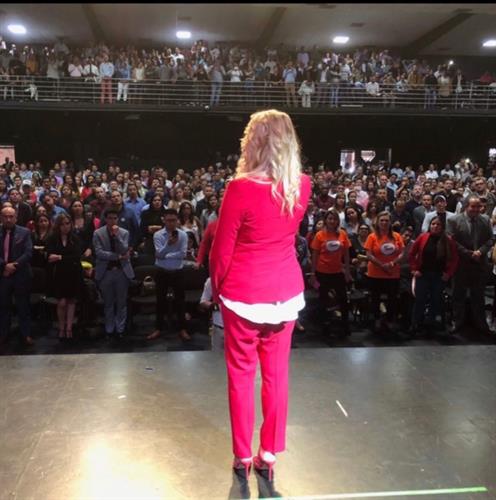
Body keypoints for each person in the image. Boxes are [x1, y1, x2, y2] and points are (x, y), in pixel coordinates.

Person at [209, 110, 311, 481]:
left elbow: (222, 250)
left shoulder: (240, 188)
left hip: (243, 293)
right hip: (285, 291)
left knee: (240, 376)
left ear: (252, 141)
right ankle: (268, 452)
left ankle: (242, 454)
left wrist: (217, 290)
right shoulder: (302, 185)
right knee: (277, 375)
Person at [446, 195, 494, 336]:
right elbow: (451, 241)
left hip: (479, 263)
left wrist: (480, 252)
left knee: (478, 295)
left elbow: (491, 239)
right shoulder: (453, 220)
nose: (476, 209)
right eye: (473, 206)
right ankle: (457, 322)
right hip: (461, 263)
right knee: (458, 294)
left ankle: (480, 324)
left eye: (478, 206)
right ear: (466, 206)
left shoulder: (485, 219)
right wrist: (468, 253)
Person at [408, 216, 459, 336]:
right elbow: (411, 254)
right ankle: (416, 324)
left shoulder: (448, 240)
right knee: (420, 300)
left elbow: (455, 259)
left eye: (438, 224)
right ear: (430, 225)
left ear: (442, 227)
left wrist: (448, 273)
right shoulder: (422, 237)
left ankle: (430, 324)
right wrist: (414, 269)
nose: (435, 226)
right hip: (423, 274)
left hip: (439, 276)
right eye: (433, 224)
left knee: (435, 300)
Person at [147, 208, 190, 342]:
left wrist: (166, 255)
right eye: (168, 220)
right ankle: (158, 328)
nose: (171, 223)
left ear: (177, 221)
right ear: (164, 221)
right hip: (162, 271)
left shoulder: (183, 235)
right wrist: (168, 245)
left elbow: (183, 254)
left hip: (178, 271)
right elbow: (159, 254)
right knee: (160, 301)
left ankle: (182, 329)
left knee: (180, 301)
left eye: (173, 220)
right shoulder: (158, 235)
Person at [310, 209, 352, 336]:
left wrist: (347, 271)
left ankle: (344, 324)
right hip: (322, 272)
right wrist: (312, 274)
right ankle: (325, 325)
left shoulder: (342, 234)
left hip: (338, 271)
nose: (332, 221)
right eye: (329, 219)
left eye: (334, 219)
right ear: (326, 221)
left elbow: (346, 254)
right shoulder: (319, 235)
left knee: (343, 299)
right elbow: (315, 256)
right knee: (323, 300)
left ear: (337, 221)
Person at [93, 208, 135, 338]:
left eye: (115, 218)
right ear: (106, 219)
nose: (112, 221)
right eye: (110, 218)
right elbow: (99, 253)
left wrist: (117, 236)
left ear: (118, 219)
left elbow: (124, 249)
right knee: (108, 303)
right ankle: (109, 329)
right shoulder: (98, 233)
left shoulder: (124, 232)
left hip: (122, 271)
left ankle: (120, 329)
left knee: (121, 303)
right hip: (106, 272)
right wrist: (117, 257)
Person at [364, 211, 405, 333]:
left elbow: (402, 253)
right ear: (377, 222)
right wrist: (381, 265)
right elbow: (368, 254)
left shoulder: (397, 236)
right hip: (375, 273)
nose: (384, 223)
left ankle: (389, 320)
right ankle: (376, 319)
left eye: (386, 220)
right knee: (375, 298)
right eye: (382, 220)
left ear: (390, 222)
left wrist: (392, 263)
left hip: (392, 273)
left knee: (392, 299)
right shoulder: (372, 237)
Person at [46, 213, 84, 341]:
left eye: (67, 223)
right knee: (61, 302)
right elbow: (49, 257)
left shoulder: (75, 238)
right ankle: (61, 327)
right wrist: (65, 258)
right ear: (58, 225)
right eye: (62, 224)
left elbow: (76, 257)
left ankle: (69, 328)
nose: (65, 226)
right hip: (59, 274)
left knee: (71, 301)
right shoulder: (52, 239)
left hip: (73, 273)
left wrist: (60, 257)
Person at [0, 206, 34, 349]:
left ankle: (25, 334)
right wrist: (4, 266)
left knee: (23, 306)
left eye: (11, 216)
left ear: (16, 218)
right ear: (1, 218)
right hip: (3, 274)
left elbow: (28, 252)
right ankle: (3, 334)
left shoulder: (24, 232)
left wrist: (13, 266)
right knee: (3, 306)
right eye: (5, 216)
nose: (8, 219)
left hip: (20, 273)